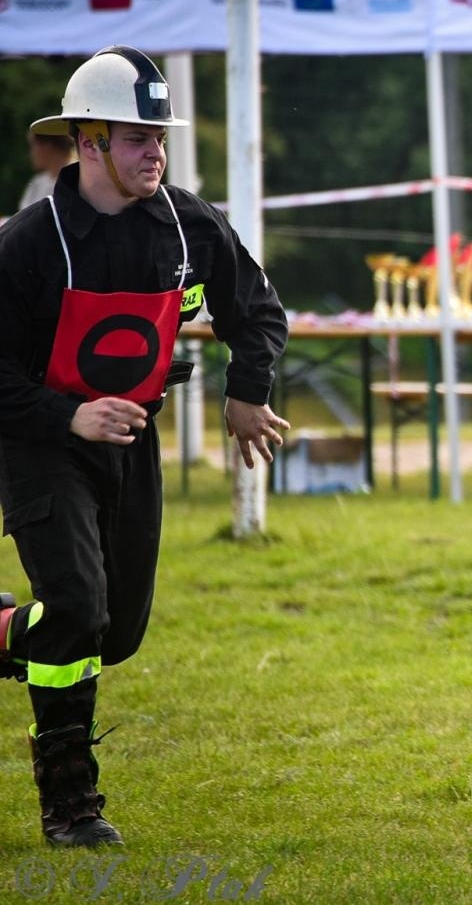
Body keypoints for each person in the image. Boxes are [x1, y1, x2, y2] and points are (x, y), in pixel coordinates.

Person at [0, 46, 289, 847]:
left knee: (113, 633)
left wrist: (247, 392)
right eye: (135, 137)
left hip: (130, 447)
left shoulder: (188, 223)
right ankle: (71, 805)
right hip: (39, 446)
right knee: (78, 610)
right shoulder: (29, 242)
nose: (155, 151)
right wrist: (67, 418)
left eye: (159, 136)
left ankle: (3, 634)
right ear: (88, 142)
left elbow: (257, 311)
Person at [18, 132, 77, 213]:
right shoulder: (37, 182)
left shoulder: (78, 181)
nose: (31, 154)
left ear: (48, 146)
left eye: (33, 147)